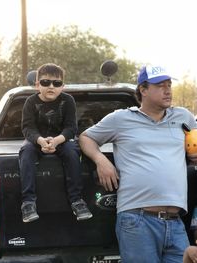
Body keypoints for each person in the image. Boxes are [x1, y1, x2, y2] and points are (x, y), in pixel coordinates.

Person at [79, 64, 197, 262]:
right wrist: (101, 160)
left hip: (176, 223)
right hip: (137, 220)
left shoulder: (183, 117)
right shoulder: (121, 118)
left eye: (169, 85)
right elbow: (86, 137)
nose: (167, 90)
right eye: (160, 85)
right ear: (143, 90)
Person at [19, 63, 92, 223]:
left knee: (73, 151)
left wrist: (57, 140)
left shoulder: (68, 100)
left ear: (62, 86)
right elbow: (27, 128)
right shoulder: (30, 102)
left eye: (56, 83)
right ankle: (28, 202)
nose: (51, 86)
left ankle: (77, 201)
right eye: (45, 82)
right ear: (37, 84)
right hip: (36, 141)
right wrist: (40, 141)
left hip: (61, 140)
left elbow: (71, 128)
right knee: (26, 151)